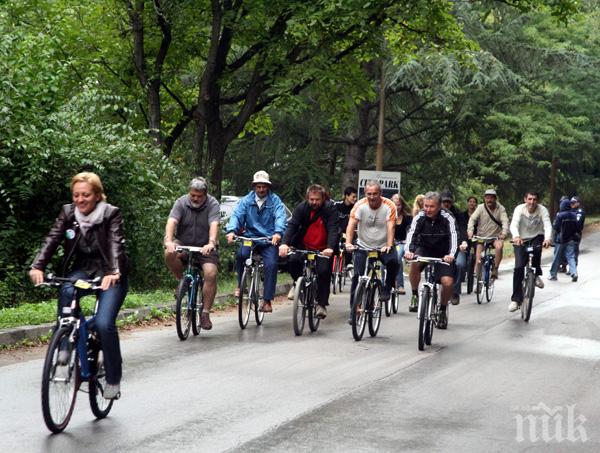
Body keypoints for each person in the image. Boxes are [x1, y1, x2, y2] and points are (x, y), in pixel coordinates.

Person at [29, 172, 128, 399]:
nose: (80, 200)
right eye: (76, 195)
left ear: (97, 195)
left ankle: (113, 378)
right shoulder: (67, 212)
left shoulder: (110, 213)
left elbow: (115, 244)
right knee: (66, 289)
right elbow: (52, 239)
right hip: (83, 268)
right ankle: (64, 344)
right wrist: (38, 266)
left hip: (110, 272)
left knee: (104, 324)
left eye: (86, 195)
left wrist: (114, 272)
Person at [226, 171, 287, 314]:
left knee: (271, 264)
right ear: (254, 186)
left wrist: (278, 233)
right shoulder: (246, 201)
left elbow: (280, 217)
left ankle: (267, 300)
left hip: (268, 239)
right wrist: (231, 231)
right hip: (250, 238)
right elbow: (236, 215)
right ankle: (241, 286)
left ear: (268, 186)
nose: (261, 189)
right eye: (258, 186)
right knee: (242, 254)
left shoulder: (275, 201)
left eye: (264, 186)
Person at [164, 177, 220, 330]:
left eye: (199, 196)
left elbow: (214, 224)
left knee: (210, 273)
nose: (195, 198)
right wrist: (169, 240)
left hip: (205, 247)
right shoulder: (181, 202)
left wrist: (211, 242)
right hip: (184, 243)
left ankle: (205, 313)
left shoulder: (213, 204)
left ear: (205, 194)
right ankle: (182, 281)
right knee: (168, 253)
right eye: (192, 195)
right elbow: (172, 222)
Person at [279, 185, 338, 318]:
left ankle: (321, 304)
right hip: (303, 245)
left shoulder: (330, 209)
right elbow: (292, 225)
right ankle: (297, 284)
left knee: (324, 271)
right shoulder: (302, 208)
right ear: (307, 198)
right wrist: (284, 244)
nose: (314, 202)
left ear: (323, 198)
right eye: (311, 199)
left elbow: (333, 228)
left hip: (323, 248)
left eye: (317, 199)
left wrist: (330, 247)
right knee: (293, 260)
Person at [345, 181, 399, 323]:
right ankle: (353, 310)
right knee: (357, 277)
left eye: (375, 194)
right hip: (364, 246)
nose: (372, 197)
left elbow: (391, 226)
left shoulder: (389, 205)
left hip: (383, 246)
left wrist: (388, 245)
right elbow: (351, 225)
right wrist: (348, 243)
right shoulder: (359, 206)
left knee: (394, 261)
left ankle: (387, 288)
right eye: (369, 194)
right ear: (365, 194)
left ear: (380, 194)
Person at [404, 192, 458, 328]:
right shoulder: (420, 216)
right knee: (414, 265)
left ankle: (442, 309)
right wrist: (409, 251)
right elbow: (412, 233)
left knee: (447, 282)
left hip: (444, 253)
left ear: (439, 206)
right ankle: (415, 295)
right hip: (425, 248)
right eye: (426, 206)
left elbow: (454, 236)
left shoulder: (448, 217)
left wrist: (451, 254)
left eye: (431, 207)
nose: (427, 209)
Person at [508, 190, 551, 312]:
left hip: (536, 236)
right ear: (525, 199)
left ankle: (536, 274)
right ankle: (516, 300)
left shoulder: (542, 210)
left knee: (537, 250)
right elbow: (514, 224)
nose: (532, 202)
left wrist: (547, 239)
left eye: (535, 199)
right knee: (519, 267)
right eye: (530, 199)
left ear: (538, 201)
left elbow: (547, 225)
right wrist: (516, 236)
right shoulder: (519, 209)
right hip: (520, 238)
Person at [467, 189, 509, 280]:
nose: (489, 200)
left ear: (495, 199)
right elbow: (472, 219)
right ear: (484, 198)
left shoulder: (501, 208)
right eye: (487, 198)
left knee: (499, 246)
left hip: (495, 237)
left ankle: (495, 268)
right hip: (482, 236)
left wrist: (504, 233)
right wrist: (470, 231)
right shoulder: (480, 207)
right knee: (478, 260)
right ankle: (478, 282)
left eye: (491, 198)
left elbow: (505, 222)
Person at [440, 192, 468, 305]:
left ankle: (455, 292)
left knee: (460, 264)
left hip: (456, 246)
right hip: (440, 246)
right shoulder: (436, 213)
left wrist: (463, 242)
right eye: (444, 201)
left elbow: (462, 230)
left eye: (448, 202)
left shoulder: (458, 214)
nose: (446, 204)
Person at [549, 198, 579, 282]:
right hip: (571, 239)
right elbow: (577, 227)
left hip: (561, 240)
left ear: (562, 206)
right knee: (571, 256)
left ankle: (553, 275)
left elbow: (556, 227)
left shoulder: (560, 215)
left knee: (557, 257)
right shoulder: (574, 215)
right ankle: (574, 272)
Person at [390, 193, 412, 295]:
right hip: (390, 242)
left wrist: (407, 240)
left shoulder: (407, 218)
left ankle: (400, 285)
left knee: (397, 257)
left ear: (402, 205)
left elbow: (410, 231)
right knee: (384, 257)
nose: (397, 207)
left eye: (398, 205)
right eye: (394, 204)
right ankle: (384, 282)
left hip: (402, 243)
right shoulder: (387, 216)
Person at [571, 196, 585, 267]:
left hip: (576, 233)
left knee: (574, 250)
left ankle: (573, 268)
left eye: (573, 203)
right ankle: (564, 266)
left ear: (578, 203)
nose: (572, 204)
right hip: (569, 233)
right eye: (571, 203)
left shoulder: (580, 212)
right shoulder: (570, 210)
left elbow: (578, 224)